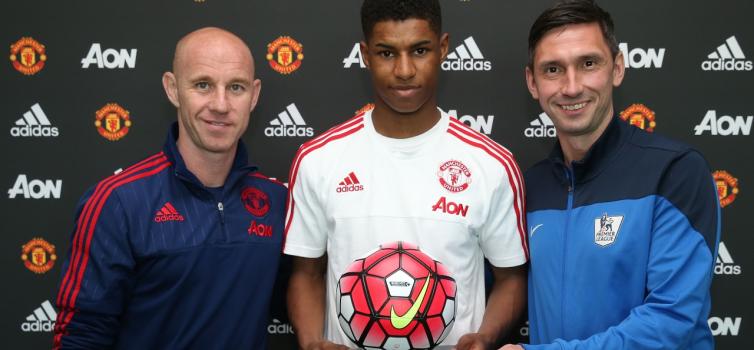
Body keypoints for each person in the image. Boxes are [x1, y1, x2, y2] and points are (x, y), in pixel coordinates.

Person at [284, 1, 528, 349]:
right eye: (386, 53)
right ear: (365, 55)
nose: (404, 70)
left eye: (420, 50)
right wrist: (310, 342)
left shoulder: (491, 164)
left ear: (443, 48)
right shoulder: (318, 159)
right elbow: (305, 273)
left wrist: (485, 336)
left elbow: (511, 278)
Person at [501, 1, 720, 349]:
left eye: (588, 64)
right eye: (553, 70)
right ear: (532, 82)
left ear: (617, 68)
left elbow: (670, 321)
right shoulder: (528, 187)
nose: (571, 87)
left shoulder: (675, 171)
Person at [53, 27, 287, 349]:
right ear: (173, 89)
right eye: (202, 85)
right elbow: (82, 336)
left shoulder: (277, 202)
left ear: (255, 95)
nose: (220, 104)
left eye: (236, 87)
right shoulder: (118, 202)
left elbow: (308, 296)